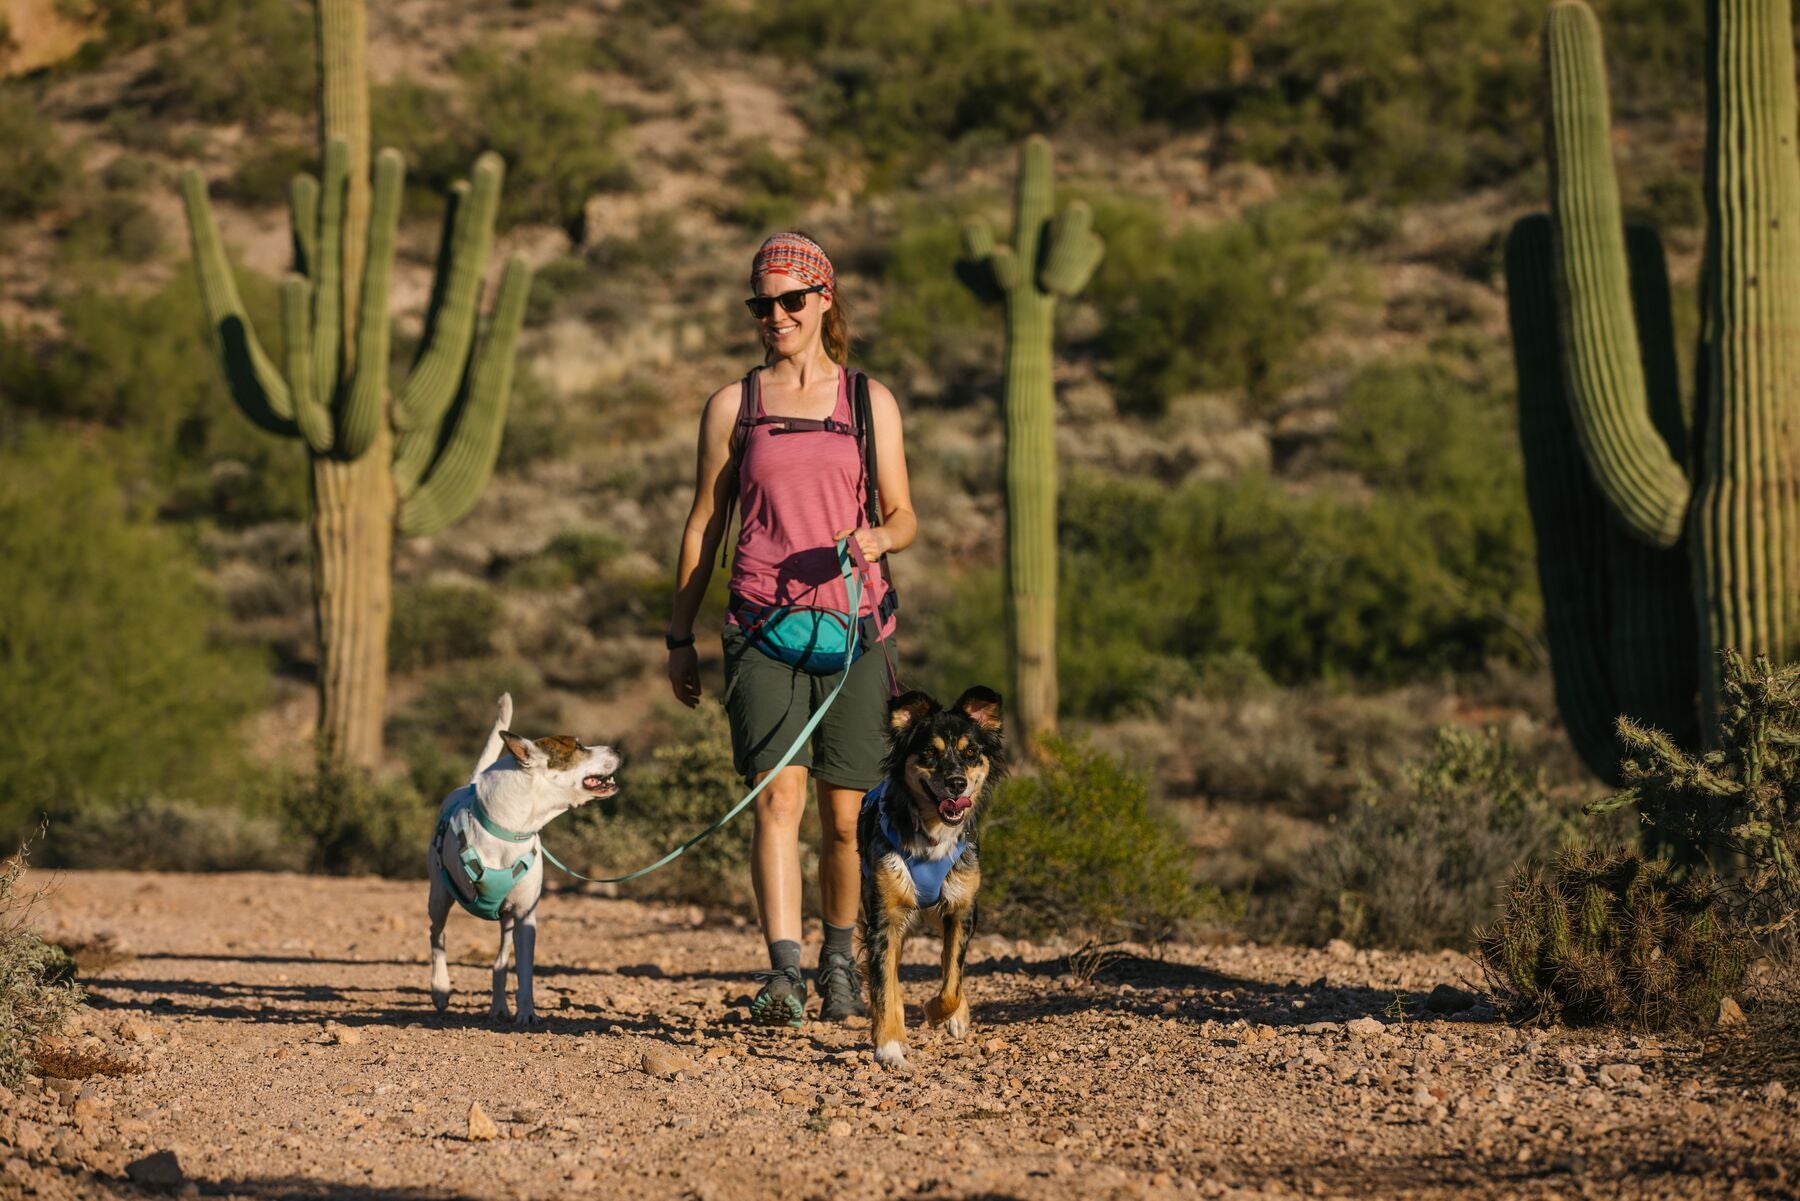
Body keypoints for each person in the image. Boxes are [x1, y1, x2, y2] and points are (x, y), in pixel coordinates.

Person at [666, 232, 917, 1027]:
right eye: (761, 303)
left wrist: (879, 538)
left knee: (845, 819)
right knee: (778, 804)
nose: (774, 315)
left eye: (789, 301)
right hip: (761, 629)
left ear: (823, 302)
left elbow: (903, 513)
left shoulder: (868, 402)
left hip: (856, 634)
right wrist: (680, 635)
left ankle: (842, 965)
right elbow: (705, 523)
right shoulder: (734, 406)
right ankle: (785, 972)